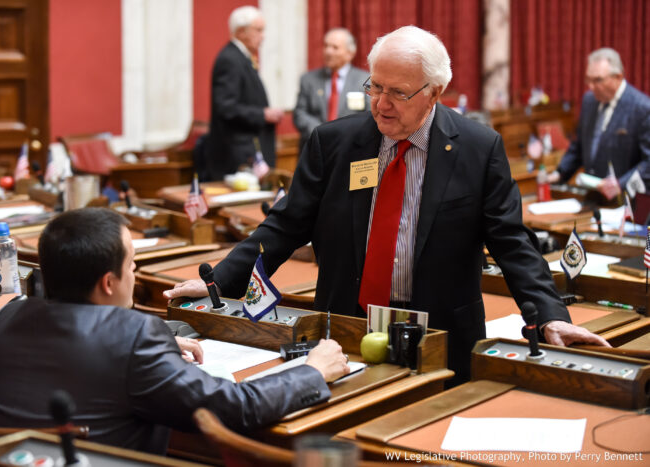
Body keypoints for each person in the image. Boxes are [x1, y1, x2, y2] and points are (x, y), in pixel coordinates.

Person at [165, 26, 609, 386]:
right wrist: (221, 280)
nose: (380, 103)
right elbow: (283, 226)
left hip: (441, 337)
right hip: (343, 332)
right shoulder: (335, 142)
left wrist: (551, 316)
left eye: (397, 92)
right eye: (374, 86)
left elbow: (512, 242)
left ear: (435, 92)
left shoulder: (478, 149)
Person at [0, 208, 349, 454]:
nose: (135, 268)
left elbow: (76, 352)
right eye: (131, 264)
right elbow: (237, 408)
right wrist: (312, 371)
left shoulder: (7, 319)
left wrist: (150, 347)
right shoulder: (133, 337)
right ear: (109, 282)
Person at [548, 48, 650, 199]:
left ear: (618, 77)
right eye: (588, 79)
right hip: (592, 196)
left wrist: (620, 184)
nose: (591, 86)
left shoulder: (641, 108)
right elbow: (579, 146)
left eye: (598, 80)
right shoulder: (589, 101)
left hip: (626, 201)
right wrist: (559, 173)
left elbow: (648, 161)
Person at [204, 5, 284, 181]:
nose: (263, 36)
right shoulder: (230, 59)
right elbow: (226, 107)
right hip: (237, 155)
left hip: (246, 150)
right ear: (240, 32)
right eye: (258, 30)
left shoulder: (241, 57)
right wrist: (263, 114)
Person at [293, 28, 370, 151]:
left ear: (350, 53)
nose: (328, 51)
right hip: (314, 148)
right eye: (326, 46)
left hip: (350, 148)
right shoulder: (308, 80)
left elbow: (370, 116)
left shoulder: (365, 80)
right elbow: (299, 114)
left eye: (335, 47)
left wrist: (341, 134)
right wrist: (323, 133)